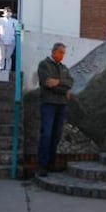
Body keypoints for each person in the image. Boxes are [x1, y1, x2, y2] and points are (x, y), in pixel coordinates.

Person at [36, 42, 74, 177]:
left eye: (64, 53)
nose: (62, 55)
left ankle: (51, 163)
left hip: (61, 105)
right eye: (60, 52)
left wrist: (58, 83)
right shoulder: (44, 65)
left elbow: (70, 82)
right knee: (46, 134)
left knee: (56, 135)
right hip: (48, 104)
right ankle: (42, 165)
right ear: (54, 52)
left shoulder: (64, 68)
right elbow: (47, 83)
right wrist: (62, 87)